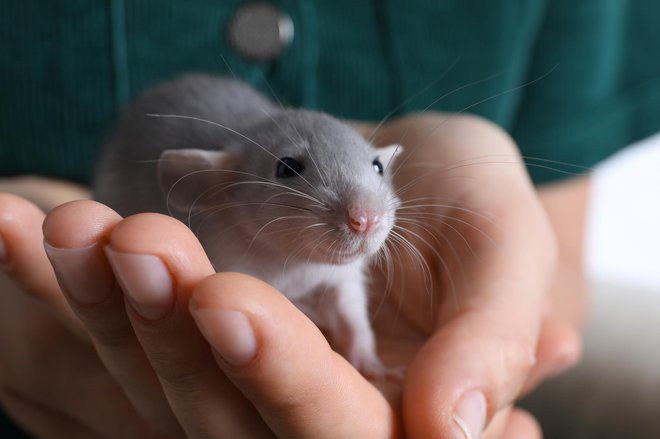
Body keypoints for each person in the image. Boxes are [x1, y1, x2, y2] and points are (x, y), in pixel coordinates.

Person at [1, 1, 658, 438]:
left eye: (378, 173)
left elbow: (560, 271)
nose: (365, 219)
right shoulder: (222, 212)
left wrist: (365, 353)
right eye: (289, 172)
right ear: (220, 184)